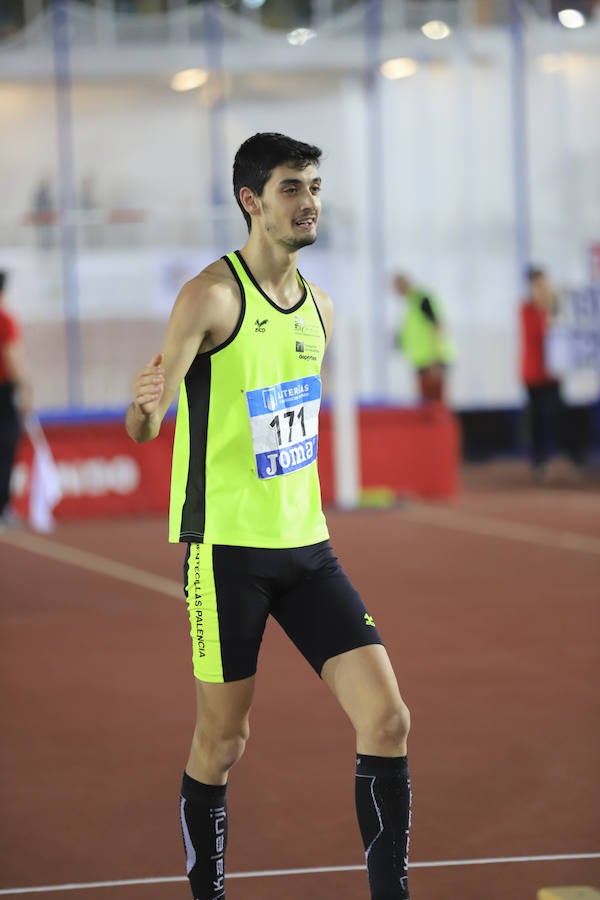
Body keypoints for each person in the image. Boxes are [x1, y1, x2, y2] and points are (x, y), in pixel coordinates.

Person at [126, 133, 412, 900]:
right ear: (252, 201)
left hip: (309, 549)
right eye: (291, 187)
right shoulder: (210, 297)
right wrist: (144, 409)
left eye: (314, 185)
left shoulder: (319, 308)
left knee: (387, 720)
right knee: (223, 742)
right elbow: (146, 424)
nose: (309, 201)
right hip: (226, 555)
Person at [519, 265, 583, 479]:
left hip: (553, 374)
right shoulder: (527, 309)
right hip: (534, 373)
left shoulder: (555, 308)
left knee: (560, 416)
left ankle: (574, 458)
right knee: (538, 419)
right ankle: (540, 461)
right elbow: (538, 334)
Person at [0, 270, 33, 526]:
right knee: (6, 448)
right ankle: (3, 508)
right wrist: (27, 388)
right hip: (3, 392)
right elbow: (12, 356)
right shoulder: (5, 319)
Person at [392, 272, 454, 404]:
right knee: (426, 404)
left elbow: (437, 327)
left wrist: (435, 359)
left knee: (435, 406)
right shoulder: (410, 305)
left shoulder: (422, 300)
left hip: (432, 361)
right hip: (422, 361)